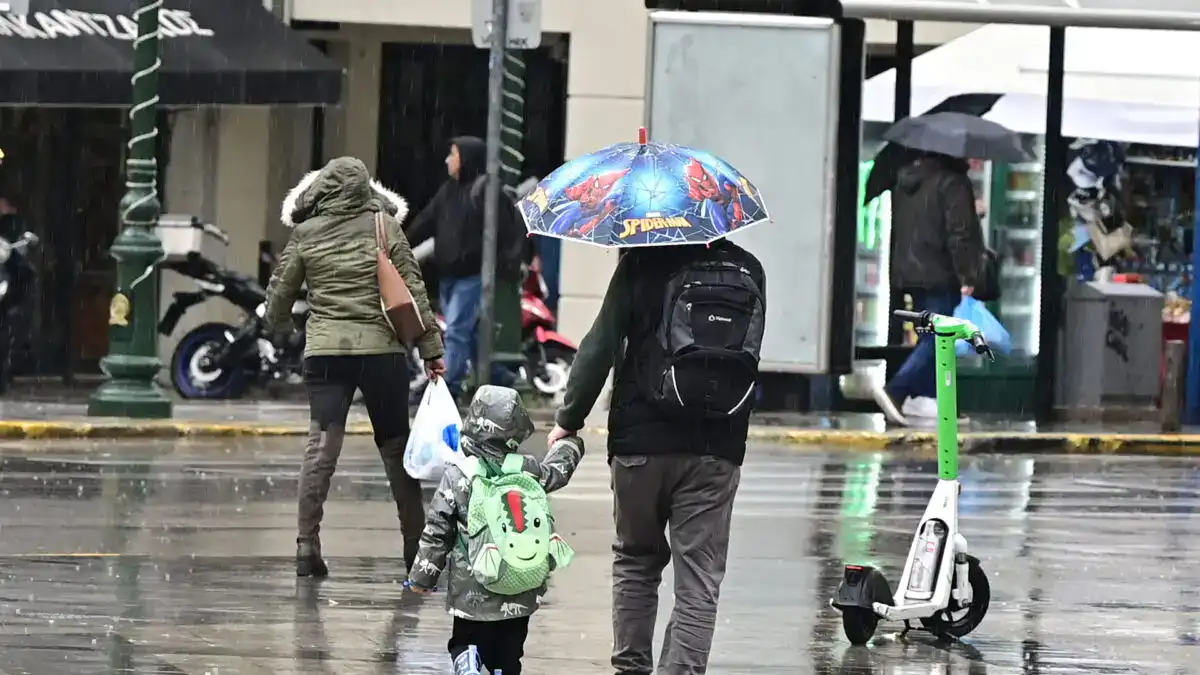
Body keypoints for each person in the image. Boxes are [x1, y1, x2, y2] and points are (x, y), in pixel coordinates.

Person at [547, 240, 766, 675]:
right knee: (699, 579)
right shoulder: (749, 268)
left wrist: (568, 420)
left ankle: (631, 669)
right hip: (716, 447)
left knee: (636, 561)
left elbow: (599, 347)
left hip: (639, 443)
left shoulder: (641, 262)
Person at [266, 156, 445, 578]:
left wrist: (287, 329)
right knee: (396, 449)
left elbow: (278, 297)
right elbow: (414, 291)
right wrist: (431, 349)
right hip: (382, 354)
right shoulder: (385, 227)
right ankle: (415, 548)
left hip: (326, 353)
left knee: (321, 449)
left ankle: (306, 544)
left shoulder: (305, 233)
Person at [408, 385, 585, 675]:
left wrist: (422, 577)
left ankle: (468, 660)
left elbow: (437, 531)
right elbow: (558, 471)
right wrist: (571, 442)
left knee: (464, 640)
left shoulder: (459, 475)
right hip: (520, 584)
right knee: (509, 654)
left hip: (472, 588)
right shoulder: (527, 470)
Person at [405, 136, 529, 398]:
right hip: (449, 274)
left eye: (454, 155)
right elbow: (426, 220)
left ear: (467, 159)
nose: (448, 160)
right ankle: (500, 377)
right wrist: (400, 243)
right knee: (470, 334)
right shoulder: (449, 190)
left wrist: (508, 262)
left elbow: (509, 228)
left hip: (473, 275)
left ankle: (447, 385)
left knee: (457, 331)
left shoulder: (486, 190)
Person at [872, 152, 984, 427]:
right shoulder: (953, 182)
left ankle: (928, 398)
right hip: (941, 272)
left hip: (910, 272)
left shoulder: (907, 180)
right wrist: (968, 275)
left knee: (929, 334)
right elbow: (959, 233)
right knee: (938, 336)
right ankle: (896, 389)